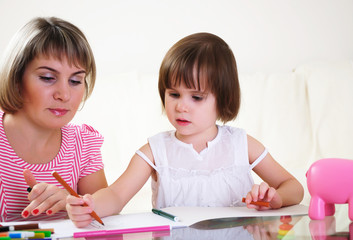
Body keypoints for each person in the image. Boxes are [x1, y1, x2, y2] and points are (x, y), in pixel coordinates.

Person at [66, 32, 304, 227]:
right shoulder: (154, 152)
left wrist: (275, 198)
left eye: (197, 97)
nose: (181, 106)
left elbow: (294, 187)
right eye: (174, 94)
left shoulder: (242, 144)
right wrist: (90, 204)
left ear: (223, 100)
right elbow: (117, 195)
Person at [0, 17, 108, 218]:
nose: (64, 95)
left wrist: (74, 205)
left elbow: (107, 228)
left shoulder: (83, 144)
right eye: (48, 78)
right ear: (16, 78)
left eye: (75, 81)